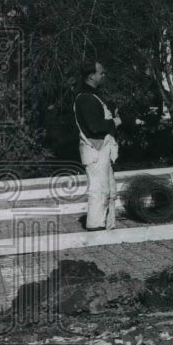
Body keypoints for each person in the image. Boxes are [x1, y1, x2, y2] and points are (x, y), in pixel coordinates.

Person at [74, 61, 121, 231]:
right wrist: (114, 122)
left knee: (107, 188)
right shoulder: (86, 98)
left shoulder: (93, 96)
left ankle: (105, 224)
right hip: (95, 150)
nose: (103, 75)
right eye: (101, 72)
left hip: (101, 150)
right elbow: (94, 126)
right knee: (98, 189)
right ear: (91, 75)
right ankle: (95, 226)